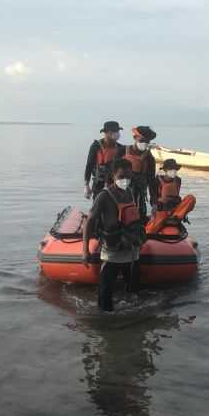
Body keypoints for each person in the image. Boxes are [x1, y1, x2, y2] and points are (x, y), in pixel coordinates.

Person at [82, 159, 145, 312]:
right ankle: (105, 321)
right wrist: (85, 251)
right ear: (113, 176)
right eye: (122, 176)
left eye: (128, 177)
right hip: (113, 251)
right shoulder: (104, 196)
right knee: (105, 295)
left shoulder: (130, 192)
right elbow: (89, 222)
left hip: (131, 250)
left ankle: (133, 317)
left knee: (134, 290)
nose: (125, 180)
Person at [84, 121, 125, 200]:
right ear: (106, 133)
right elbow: (89, 165)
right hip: (99, 184)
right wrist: (86, 185)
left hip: (116, 184)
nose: (117, 133)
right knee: (98, 204)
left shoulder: (121, 148)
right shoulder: (96, 146)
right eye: (114, 131)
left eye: (117, 131)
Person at [124, 126, 158, 218]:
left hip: (140, 196)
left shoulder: (149, 158)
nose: (145, 143)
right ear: (135, 138)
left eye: (147, 142)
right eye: (142, 140)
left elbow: (152, 181)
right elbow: (112, 174)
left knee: (140, 218)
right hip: (123, 195)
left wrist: (154, 203)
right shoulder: (122, 151)